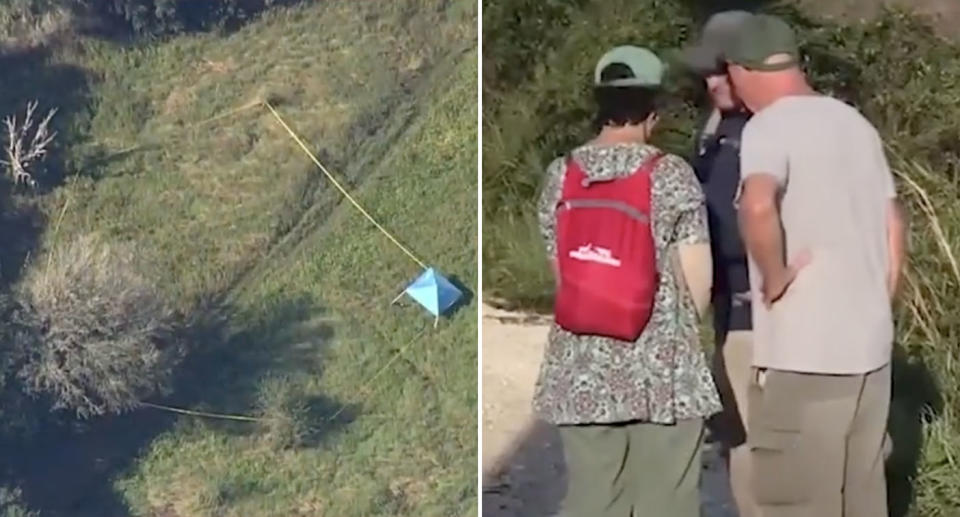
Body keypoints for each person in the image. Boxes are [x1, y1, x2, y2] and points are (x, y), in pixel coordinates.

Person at [723, 14, 907, 517]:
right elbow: (894, 223)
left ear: (743, 69)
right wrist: (878, 300)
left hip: (804, 360)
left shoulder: (769, 125)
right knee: (862, 498)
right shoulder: (855, 124)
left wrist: (776, 278)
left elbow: (757, 204)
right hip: (869, 355)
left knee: (799, 503)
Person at [532, 45, 721, 517]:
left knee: (593, 498)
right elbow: (698, 277)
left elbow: (566, 274)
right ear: (652, 112)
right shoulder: (671, 176)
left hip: (581, 368)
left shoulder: (561, 175)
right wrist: (674, 331)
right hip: (661, 368)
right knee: (667, 500)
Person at [680, 10, 758, 517]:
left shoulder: (773, 130)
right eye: (706, 73)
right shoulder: (718, 131)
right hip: (727, 313)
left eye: (721, 70)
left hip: (764, 316)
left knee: (764, 441)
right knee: (738, 439)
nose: (711, 82)